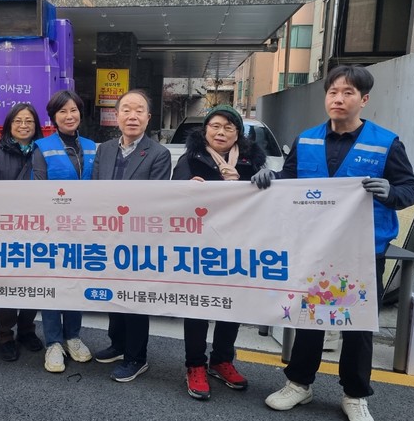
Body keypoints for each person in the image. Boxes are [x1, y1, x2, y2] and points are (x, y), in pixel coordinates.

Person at [252, 64, 414, 421]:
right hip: (314, 246)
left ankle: (355, 395)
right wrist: (270, 177)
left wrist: (391, 192)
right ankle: (299, 383)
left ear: (364, 99)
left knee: (358, 324)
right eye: (332, 92)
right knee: (309, 317)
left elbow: (410, 188)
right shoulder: (308, 140)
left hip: (363, 249)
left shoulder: (385, 142)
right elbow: (289, 180)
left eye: (348, 93)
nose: (338, 99)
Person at [171, 104, 266, 399]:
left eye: (228, 127)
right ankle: (195, 364)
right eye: (215, 126)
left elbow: (268, 201)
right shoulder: (190, 159)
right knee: (198, 304)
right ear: (205, 131)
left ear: (238, 133)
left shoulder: (252, 163)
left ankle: (222, 360)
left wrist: (266, 179)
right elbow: (171, 196)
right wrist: (187, 187)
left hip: (239, 244)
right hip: (200, 245)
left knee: (232, 302)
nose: (221, 132)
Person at [92, 90, 171, 382]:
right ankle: (118, 344)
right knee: (113, 292)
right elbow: (94, 191)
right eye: (126, 110)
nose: (132, 116)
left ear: (148, 118)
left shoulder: (159, 154)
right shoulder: (104, 150)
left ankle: (137, 357)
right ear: (116, 116)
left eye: (139, 111)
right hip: (108, 236)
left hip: (138, 239)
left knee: (135, 297)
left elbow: (155, 201)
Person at [32, 89, 95, 373]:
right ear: (53, 118)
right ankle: (53, 343)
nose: (69, 116)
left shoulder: (93, 147)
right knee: (52, 284)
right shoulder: (42, 148)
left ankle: (72, 337)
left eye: (74, 110)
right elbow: (38, 192)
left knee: (75, 284)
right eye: (62, 111)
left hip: (85, 231)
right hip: (52, 231)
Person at [0, 103, 46, 361]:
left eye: (29, 121)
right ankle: (5, 334)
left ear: (36, 126)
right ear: (9, 125)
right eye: (18, 121)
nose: (23, 125)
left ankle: (27, 329)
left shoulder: (43, 152)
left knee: (33, 281)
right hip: (6, 229)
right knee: (6, 282)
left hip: (38, 228)